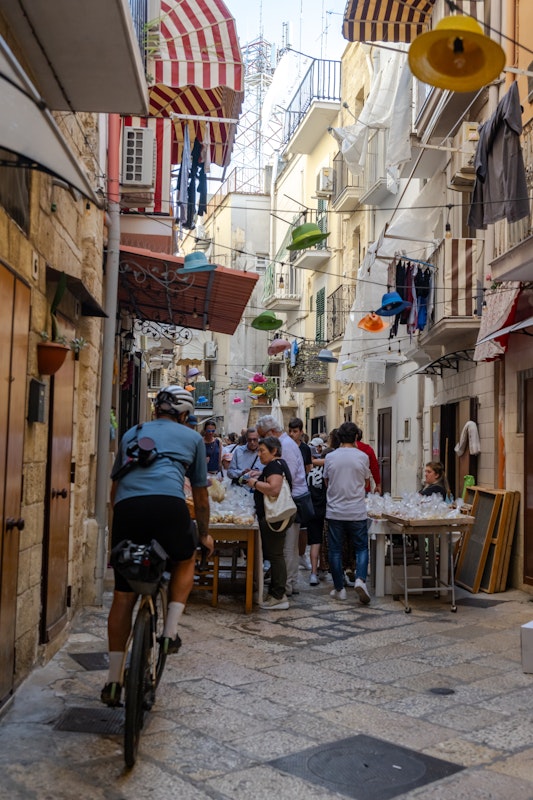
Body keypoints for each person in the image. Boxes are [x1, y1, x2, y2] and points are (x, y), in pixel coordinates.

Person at [102, 385, 213, 707]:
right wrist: (204, 534)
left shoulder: (132, 433)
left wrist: (117, 529)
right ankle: (169, 633)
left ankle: (113, 681)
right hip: (169, 507)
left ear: (156, 410)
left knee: (123, 595)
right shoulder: (192, 438)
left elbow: (115, 488)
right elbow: (201, 496)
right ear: (184, 415)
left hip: (128, 510)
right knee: (185, 558)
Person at [255, 414, 308, 597]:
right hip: (288, 502)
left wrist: (256, 482)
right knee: (286, 548)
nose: (261, 442)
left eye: (262, 436)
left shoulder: (285, 446)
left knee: (286, 548)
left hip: (289, 503)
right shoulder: (286, 444)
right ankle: (287, 582)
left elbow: (284, 480)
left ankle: (286, 585)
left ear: (271, 432)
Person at [324, 421, 372, 605]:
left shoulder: (330, 457)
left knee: (335, 550)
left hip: (335, 510)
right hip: (356, 510)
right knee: (361, 548)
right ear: (356, 437)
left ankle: (339, 589)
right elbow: (366, 482)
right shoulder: (362, 457)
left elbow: (327, 481)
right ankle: (360, 579)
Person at [245, 436, 295, 610]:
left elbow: (274, 489)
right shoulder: (279, 464)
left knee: (275, 555)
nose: (259, 454)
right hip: (274, 517)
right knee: (275, 554)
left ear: (274, 451)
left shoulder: (274, 465)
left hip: (275, 518)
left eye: (262, 451)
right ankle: (276, 592)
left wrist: (254, 483)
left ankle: (278, 595)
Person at [288, 417, 313, 571]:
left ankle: (302, 555)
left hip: (300, 490)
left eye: (295, 431)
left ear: (301, 432)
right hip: (288, 492)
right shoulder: (285, 446)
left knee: (303, 527)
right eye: (290, 431)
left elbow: (309, 466)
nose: (292, 434)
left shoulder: (305, 448)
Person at [307, 437, 332, 585]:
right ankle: (324, 568)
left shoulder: (309, 469)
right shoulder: (328, 469)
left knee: (315, 542)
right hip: (325, 508)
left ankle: (313, 573)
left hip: (311, 508)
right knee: (326, 541)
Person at [355, 426, 381, 494]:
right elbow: (374, 467)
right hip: (363, 486)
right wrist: (378, 484)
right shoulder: (367, 449)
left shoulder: (344, 449)